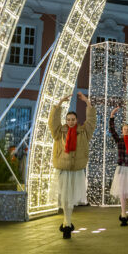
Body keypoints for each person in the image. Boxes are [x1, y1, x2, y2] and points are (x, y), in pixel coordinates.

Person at [48, 92, 96, 239]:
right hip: (63, 168)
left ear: (76, 120)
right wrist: (60, 103)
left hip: (76, 170)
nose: (70, 121)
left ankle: (67, 222)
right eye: (68, 119)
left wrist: (87, 102)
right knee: (64, 197)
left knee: (72, 197)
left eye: (73, 119)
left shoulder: (84, 132)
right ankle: (66, 222)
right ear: (66, 120)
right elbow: (52, 122)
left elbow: (91, 121)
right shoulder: (59, 132)